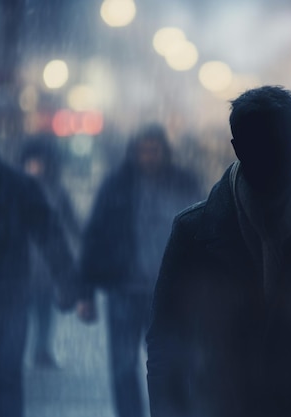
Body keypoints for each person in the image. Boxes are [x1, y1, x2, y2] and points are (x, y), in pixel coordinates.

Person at [146, 86, 291, 417]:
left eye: (275, 146)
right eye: (257, 147)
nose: (267, 159)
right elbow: (166, 339)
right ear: (237, 148)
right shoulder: (194, 232)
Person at [0, 113, 77, 417]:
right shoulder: (18, 184)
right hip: (6, 293)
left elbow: (49, 231)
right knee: (3, 376)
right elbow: (50, 232)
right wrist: (69, 281)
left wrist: (68, 281)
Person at [77, 123, 202, 417]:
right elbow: (94, 236)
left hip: (169, 292)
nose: (149, 156)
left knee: (169, 364)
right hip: (124, 288)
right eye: (143, 150)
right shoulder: (117, 185)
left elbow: (205, 230)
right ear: (133, 152)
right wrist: (86, 293)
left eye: (154, 149)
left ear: (164, 151)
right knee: (122, 366)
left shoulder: (183, 182)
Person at [20, 136, 82, 368]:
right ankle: (18, 351)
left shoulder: (56, 190)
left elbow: (72, 221)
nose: (35, 166)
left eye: (39, 161)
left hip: (46, 261)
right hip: (21, 260)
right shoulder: (15, 186)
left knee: (44, 308)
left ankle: (41, 350)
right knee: (20, 311)